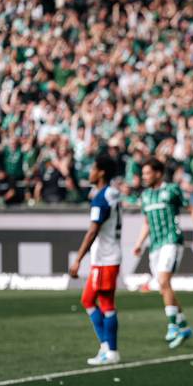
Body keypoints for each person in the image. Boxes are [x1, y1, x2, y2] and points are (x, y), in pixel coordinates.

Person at [132, 157, 193, 349]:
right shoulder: (145, 196)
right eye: (143, 174)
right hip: (155, 245)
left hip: (172, 241)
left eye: (148, 173)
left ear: (158, 173)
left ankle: (173, 325)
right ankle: (183, 325)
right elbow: (147, 222)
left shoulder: (172, 190)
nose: (144, 177)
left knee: (164, 281)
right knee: (164, 288)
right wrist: (139, 243)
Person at [69, 154, 122, 365]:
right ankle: (106, 348)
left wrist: (78, 259)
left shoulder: (101, 198)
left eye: (92, 168)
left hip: (105, 258)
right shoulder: (111, 193)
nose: (89, 172)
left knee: (106, 303)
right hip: (107, 256)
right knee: (88, 299)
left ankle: (111, 351)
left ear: (100, 172)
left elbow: (92, 232)